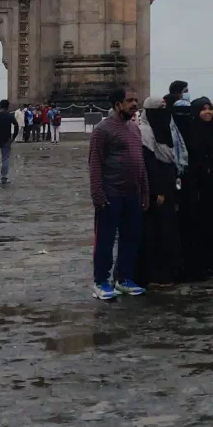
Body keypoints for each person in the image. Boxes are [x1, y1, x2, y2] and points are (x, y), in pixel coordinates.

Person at [88, 89, 148, 300]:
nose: (134, 104)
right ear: (116, 105)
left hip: (132, 194)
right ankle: (100, 282)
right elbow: (95, 164)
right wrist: (97, 194)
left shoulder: (134, 128)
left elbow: (140, 162)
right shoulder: (102, 130)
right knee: (104, 240)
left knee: (130, 239)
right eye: (129, 101)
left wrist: (144, 192)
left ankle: (123, 279)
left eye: (135, 100)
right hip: (110, 194)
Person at [134, 97, 182, 287]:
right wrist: (157, 191)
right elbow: (148, 165)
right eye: (159, 110)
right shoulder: (144, 133)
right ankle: (153, 274)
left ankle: (168, 273)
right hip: (156, 191)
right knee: (154, 233)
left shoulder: (168, 131)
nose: (163, 113)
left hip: (169, 187)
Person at [176, 97, 213, 280]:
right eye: (203, 109)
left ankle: (212, 263)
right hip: (196, 188)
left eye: (209, 108)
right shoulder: (191, 133)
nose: (208, 112)